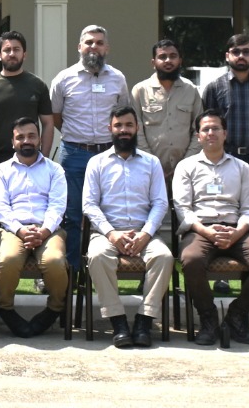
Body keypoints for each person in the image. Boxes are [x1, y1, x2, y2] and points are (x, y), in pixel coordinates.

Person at [173, 109, 249, 346]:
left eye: (216, 128)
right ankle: (208, 318)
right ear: (198, 136)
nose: (211, 133)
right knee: (191, 260)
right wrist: (206, 231)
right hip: (200, 229)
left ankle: (236, 316)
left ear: (225, 133)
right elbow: (183, 208)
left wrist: (238, 231)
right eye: (205, 129)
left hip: (236, 229)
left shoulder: (242, 167)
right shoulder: (186, 167)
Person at [83, 106, 173, 348]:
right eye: (118, 125)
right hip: (106, 233)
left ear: (137, 128)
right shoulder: (96, 163)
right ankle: (118, 322)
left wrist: (145, 234)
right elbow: (89, 204)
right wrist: (112, 234)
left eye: (128, 125)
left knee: (164, 257)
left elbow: (160, 203)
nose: (124, 130)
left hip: (144, 232)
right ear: (110, 129)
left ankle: (144, 321)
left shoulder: (151, 163)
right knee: (97, 256)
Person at [0, 30, 54, 287]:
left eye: (16, 49)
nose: (12, 54)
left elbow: (48, 123)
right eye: (7, 50)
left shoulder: (37, 86)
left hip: (32, 158)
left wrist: (43, 156)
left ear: (24, 54)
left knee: (36, 213)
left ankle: (41, 272)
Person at [49, 25, 132, 267]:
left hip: (108, 155)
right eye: (89, 42)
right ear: (79, 47)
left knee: (109, 214)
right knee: (72, 215)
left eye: (99, 42)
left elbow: (123, 114)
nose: (93, 47)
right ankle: (72, 270)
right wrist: (78, 135)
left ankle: (103, 268)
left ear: (107, 48)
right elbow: (55, 116)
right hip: (74, 153)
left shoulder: (118, 79)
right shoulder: (63, 79)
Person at [0, 117, 69, 338]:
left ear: (40, 139)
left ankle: (55, 308)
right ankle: (5, 308)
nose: (26, 141)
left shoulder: (54, 170)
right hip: (13, 230)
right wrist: (21, 230)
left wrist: (44, 231)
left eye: (31, 136)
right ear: (12, 141)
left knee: (54, 261)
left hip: (49, 230)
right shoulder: (1, 170)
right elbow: (0, 208)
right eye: (20, 137)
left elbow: (57, 205)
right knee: (8, 260)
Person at [201, 33, 249, 176]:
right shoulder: (214, 88)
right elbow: (208, 124)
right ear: (227, 56)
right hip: (225, 156)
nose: (241, 56)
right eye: (236, 52)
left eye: (246, 52)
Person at [132, 38, 201, 180]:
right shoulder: (140, 90)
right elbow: (136, 130)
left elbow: (199, 130)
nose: (168, 60)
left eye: (173, 56)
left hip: (186, 171)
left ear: (180, 61)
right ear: (153, 63)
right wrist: (152, 164)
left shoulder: (191, 90)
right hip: (148, 169)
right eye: (162, 57)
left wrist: (185, 165)